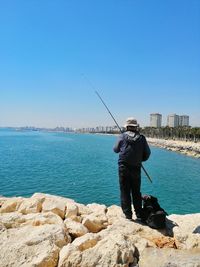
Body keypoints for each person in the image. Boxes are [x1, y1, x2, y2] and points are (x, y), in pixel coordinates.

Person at [113, 117, 151, 220]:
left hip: (123, 168)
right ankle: (139, 214)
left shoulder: (122, 136)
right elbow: (147, 153)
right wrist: (140, 159)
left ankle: (128, 215)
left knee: (125, 191)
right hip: (136, 168)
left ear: (127, 127)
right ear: (136, 127)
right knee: (136, 191)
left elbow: (115, 150)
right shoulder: (142, 138)